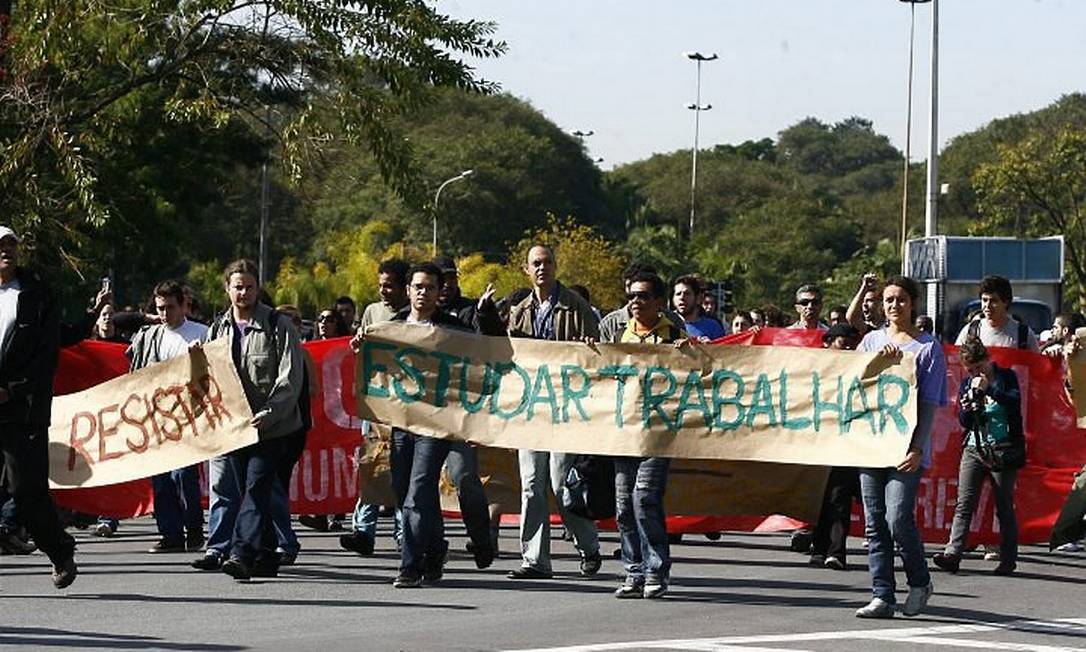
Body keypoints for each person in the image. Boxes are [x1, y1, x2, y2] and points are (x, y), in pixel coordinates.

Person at [351, 263, 501, 587]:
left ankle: (410, 566)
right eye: (418, 287)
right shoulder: (390, 327)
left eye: (430, 287)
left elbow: (486, 353)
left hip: (438, 425)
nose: (423, 293)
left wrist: (487, 314)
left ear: (438, 292)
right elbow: (373, 365)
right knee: (405, 490)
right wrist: (362, 345)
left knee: (419, 492)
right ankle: (435, 551)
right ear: (408, 290)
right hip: (403, 424)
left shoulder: (452, 328)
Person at [192, 259, 304, 581]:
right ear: (227, 289)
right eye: (237, 287)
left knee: (255, 487)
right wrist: (197, 357)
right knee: (254, 493)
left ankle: (240, 553)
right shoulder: (219, 328)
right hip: (235, 428)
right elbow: (210, 376)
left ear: (258, 288)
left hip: (272, 428)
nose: (243, 293)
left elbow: (290, 378)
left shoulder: (277, 325)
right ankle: (267, 557)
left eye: (249, 286)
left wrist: (269, 414)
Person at [506, 244, 603, 579]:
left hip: (565, 408)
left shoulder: (576, 308)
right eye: (536, 263)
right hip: (530, 409)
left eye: (547, 262)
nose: (542, 268)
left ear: (556, 266)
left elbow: (597, 358)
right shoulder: (518, 311)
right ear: (526, 269)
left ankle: (589, 546)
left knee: (561, 483)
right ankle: (535, 560)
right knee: (531, 483)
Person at [855, 274, 946, 619]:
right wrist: (878, 361)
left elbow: (930, 403)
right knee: (874, 522)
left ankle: (920, 582)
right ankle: (882, 594)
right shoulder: (870, 341)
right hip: (871, 444)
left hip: (907, 448)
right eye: (889, 300)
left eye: (901, 300)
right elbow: (854, 385)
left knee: (897, 518)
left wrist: (918, 448)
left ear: (913, 304)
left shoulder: (926, 347)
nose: (895, 306)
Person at [0, 225, 78, 588]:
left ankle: (59, 549)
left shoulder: (35, 294)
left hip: (21, 409)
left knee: (26, 490)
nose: (6, 252)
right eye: (0, 246)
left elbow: (45, 357)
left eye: (11, 245)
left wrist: (12, 391)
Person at [604, 271, 682, 599]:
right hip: (625, 431)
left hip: (659, 433)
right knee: (623, 505)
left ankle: (656, 570)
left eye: (644, 296)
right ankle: (633, 571)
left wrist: (690, 351)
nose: (636, 302)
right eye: (632, 296)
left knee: (644, 499)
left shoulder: (673, 336)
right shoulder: (619, 334)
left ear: (659, 302)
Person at [127, 281, 209, 553]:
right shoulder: (151, 337)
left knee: (184, 477)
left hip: (188, 417)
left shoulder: (201, 333)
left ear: (183, 305)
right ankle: (171, 534)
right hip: (157, 418)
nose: (165, 314)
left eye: (170, 307)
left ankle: (194, 530)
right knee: (161, 480)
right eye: (160, 308)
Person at [933, 337, 1024, 576]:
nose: (975, 373)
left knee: (1004, 505)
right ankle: (953, 553)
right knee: (964, 503)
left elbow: (1014, 403)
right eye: (970, 370)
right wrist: (967, 408)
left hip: (1002, 448)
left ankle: (1008, 558)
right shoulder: (967, 383)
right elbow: (964, 422)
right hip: (974, 447)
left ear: (987, 359)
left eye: (978, 368)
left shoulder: (1007, 377)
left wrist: (989, 389)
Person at [342, 258, 410, 556]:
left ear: (404, 287)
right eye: (380, 285)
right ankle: (363, 531)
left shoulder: (412, 314)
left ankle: (403, 533)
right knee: (372, 466)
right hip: (376, 399)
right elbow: (359, 351)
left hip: (406, 402)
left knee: (401, 471)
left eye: (390, 286)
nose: (384, 291)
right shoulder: (372, 311)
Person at [809, 323, 861, 571]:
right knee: (820, 495)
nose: (849, 349)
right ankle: (819, 547)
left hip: (848, 443)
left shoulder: (860, 370)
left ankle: (835, 551)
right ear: (828, 343)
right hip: (816, 442)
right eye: (844, 343)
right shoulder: (814, 369)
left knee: (839, 496)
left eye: (853, 345)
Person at [269, 304, 312, 566]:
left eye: (295, 320)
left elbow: (315, 388)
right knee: (273, 485)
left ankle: (285, 541)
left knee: (274, 484)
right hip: (273, 427)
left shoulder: (302, 354)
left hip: (294, 427)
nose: (290, 324)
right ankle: (273, 538)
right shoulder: (271, 350)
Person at [954, 275, 1039, 352]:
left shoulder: (1023, 334)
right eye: (984, 300)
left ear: (1005, 302)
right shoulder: (971, 331)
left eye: (993, 301)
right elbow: (955, 362)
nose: (987, 305)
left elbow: (1037, 365)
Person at [671, 275, 726, 341]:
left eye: (687, 294)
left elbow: (724, 350)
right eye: (678, 294)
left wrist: (709, 347)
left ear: (697, 298)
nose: (682, 298)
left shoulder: (713, 327)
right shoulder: (665, 324)